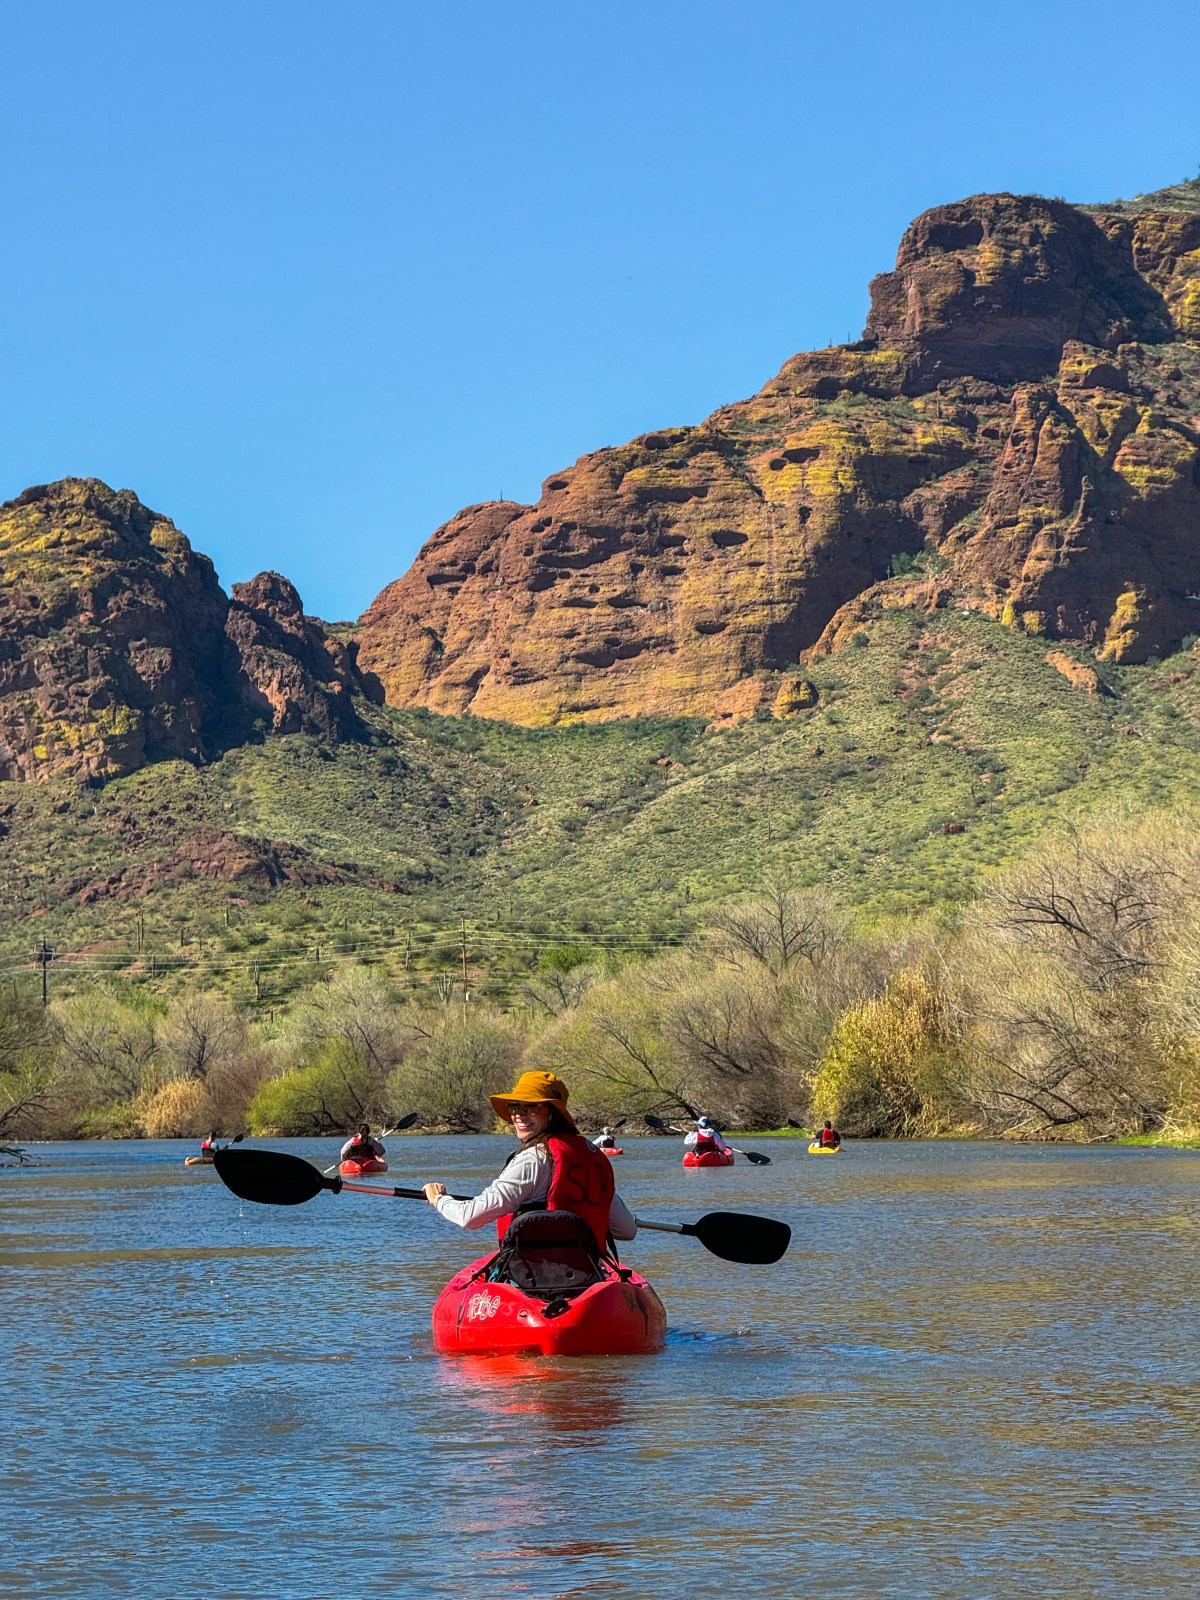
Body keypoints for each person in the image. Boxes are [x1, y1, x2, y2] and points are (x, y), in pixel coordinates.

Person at [422, 1070, 636, 1250]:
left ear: (552, 1114)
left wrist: (440, 1200)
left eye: (531, 1107)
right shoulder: (592, 1157)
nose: (519, 1115)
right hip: (588, 1273)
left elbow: (469, 1217)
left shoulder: (533, 1159)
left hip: (535, 1278)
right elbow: (627, 1230)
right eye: (515, 1107)